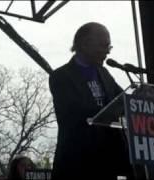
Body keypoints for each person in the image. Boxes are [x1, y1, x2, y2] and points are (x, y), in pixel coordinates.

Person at [49, 22, 134, 180]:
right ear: (85, 43)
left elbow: (123, 100)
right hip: (77, 163)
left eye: (109, 48)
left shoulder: (104, 73)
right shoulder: (61, 76)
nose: (106, 52)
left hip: (107, 162)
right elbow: (70, 115)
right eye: (103, 46)